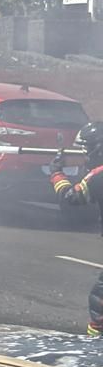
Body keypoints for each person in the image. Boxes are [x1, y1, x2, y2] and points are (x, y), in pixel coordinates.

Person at [51, 123, 103, 336]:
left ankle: (95, 347)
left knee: (99, 302)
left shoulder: (99, 175)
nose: (85, 155)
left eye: (87, 149)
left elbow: (70, 199)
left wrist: (56, 174)